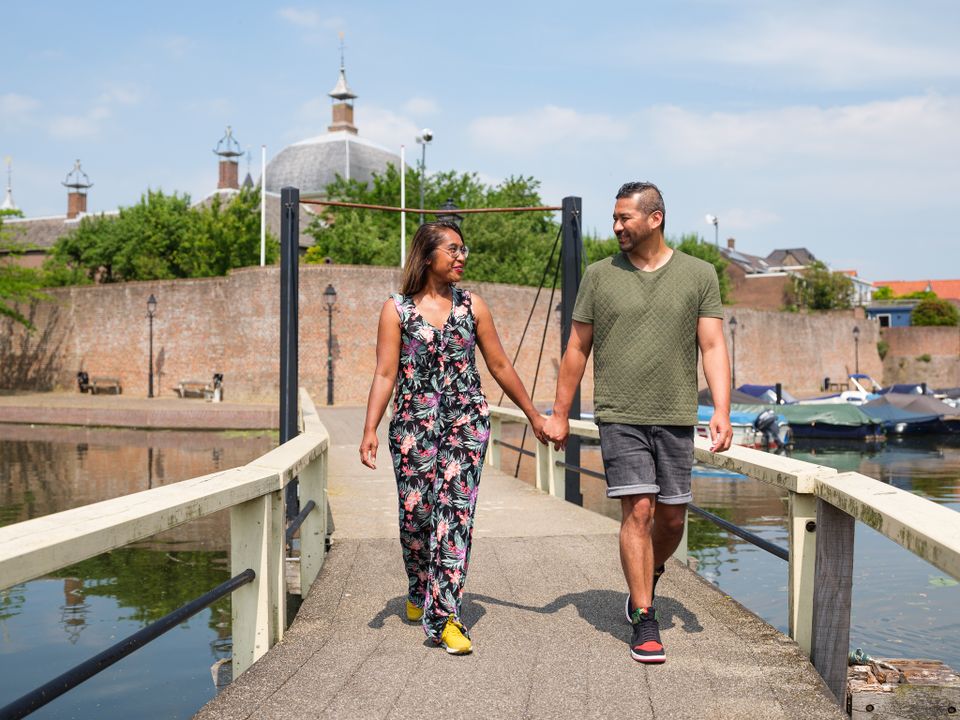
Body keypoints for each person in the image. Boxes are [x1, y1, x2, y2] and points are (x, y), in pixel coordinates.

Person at [542, 181, 732, 664]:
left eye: (624, 217)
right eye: (614, 217)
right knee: (639, 512)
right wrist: (560, 414)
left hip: (676, 415)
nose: (616, 226)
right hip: (620, 414)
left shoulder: (699, 274)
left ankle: (649, 572)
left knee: (671, 519)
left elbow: (712, 346)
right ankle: (645, 617)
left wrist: (722, 411)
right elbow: (576, 348)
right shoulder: (600, 276)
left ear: (655, 218)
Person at [360, 220, 546, 655]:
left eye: (464, 250)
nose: (462, 257)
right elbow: (385, 373)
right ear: (428, 256)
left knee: (453, 517)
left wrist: (533, 414)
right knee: (417, 516)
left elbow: (500, 365)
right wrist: (369, 429)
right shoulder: (396, 310)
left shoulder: (472, 306)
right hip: (413, 426)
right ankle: (418, 587)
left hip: (466, 422)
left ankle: (445, 617)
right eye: (454, 249)